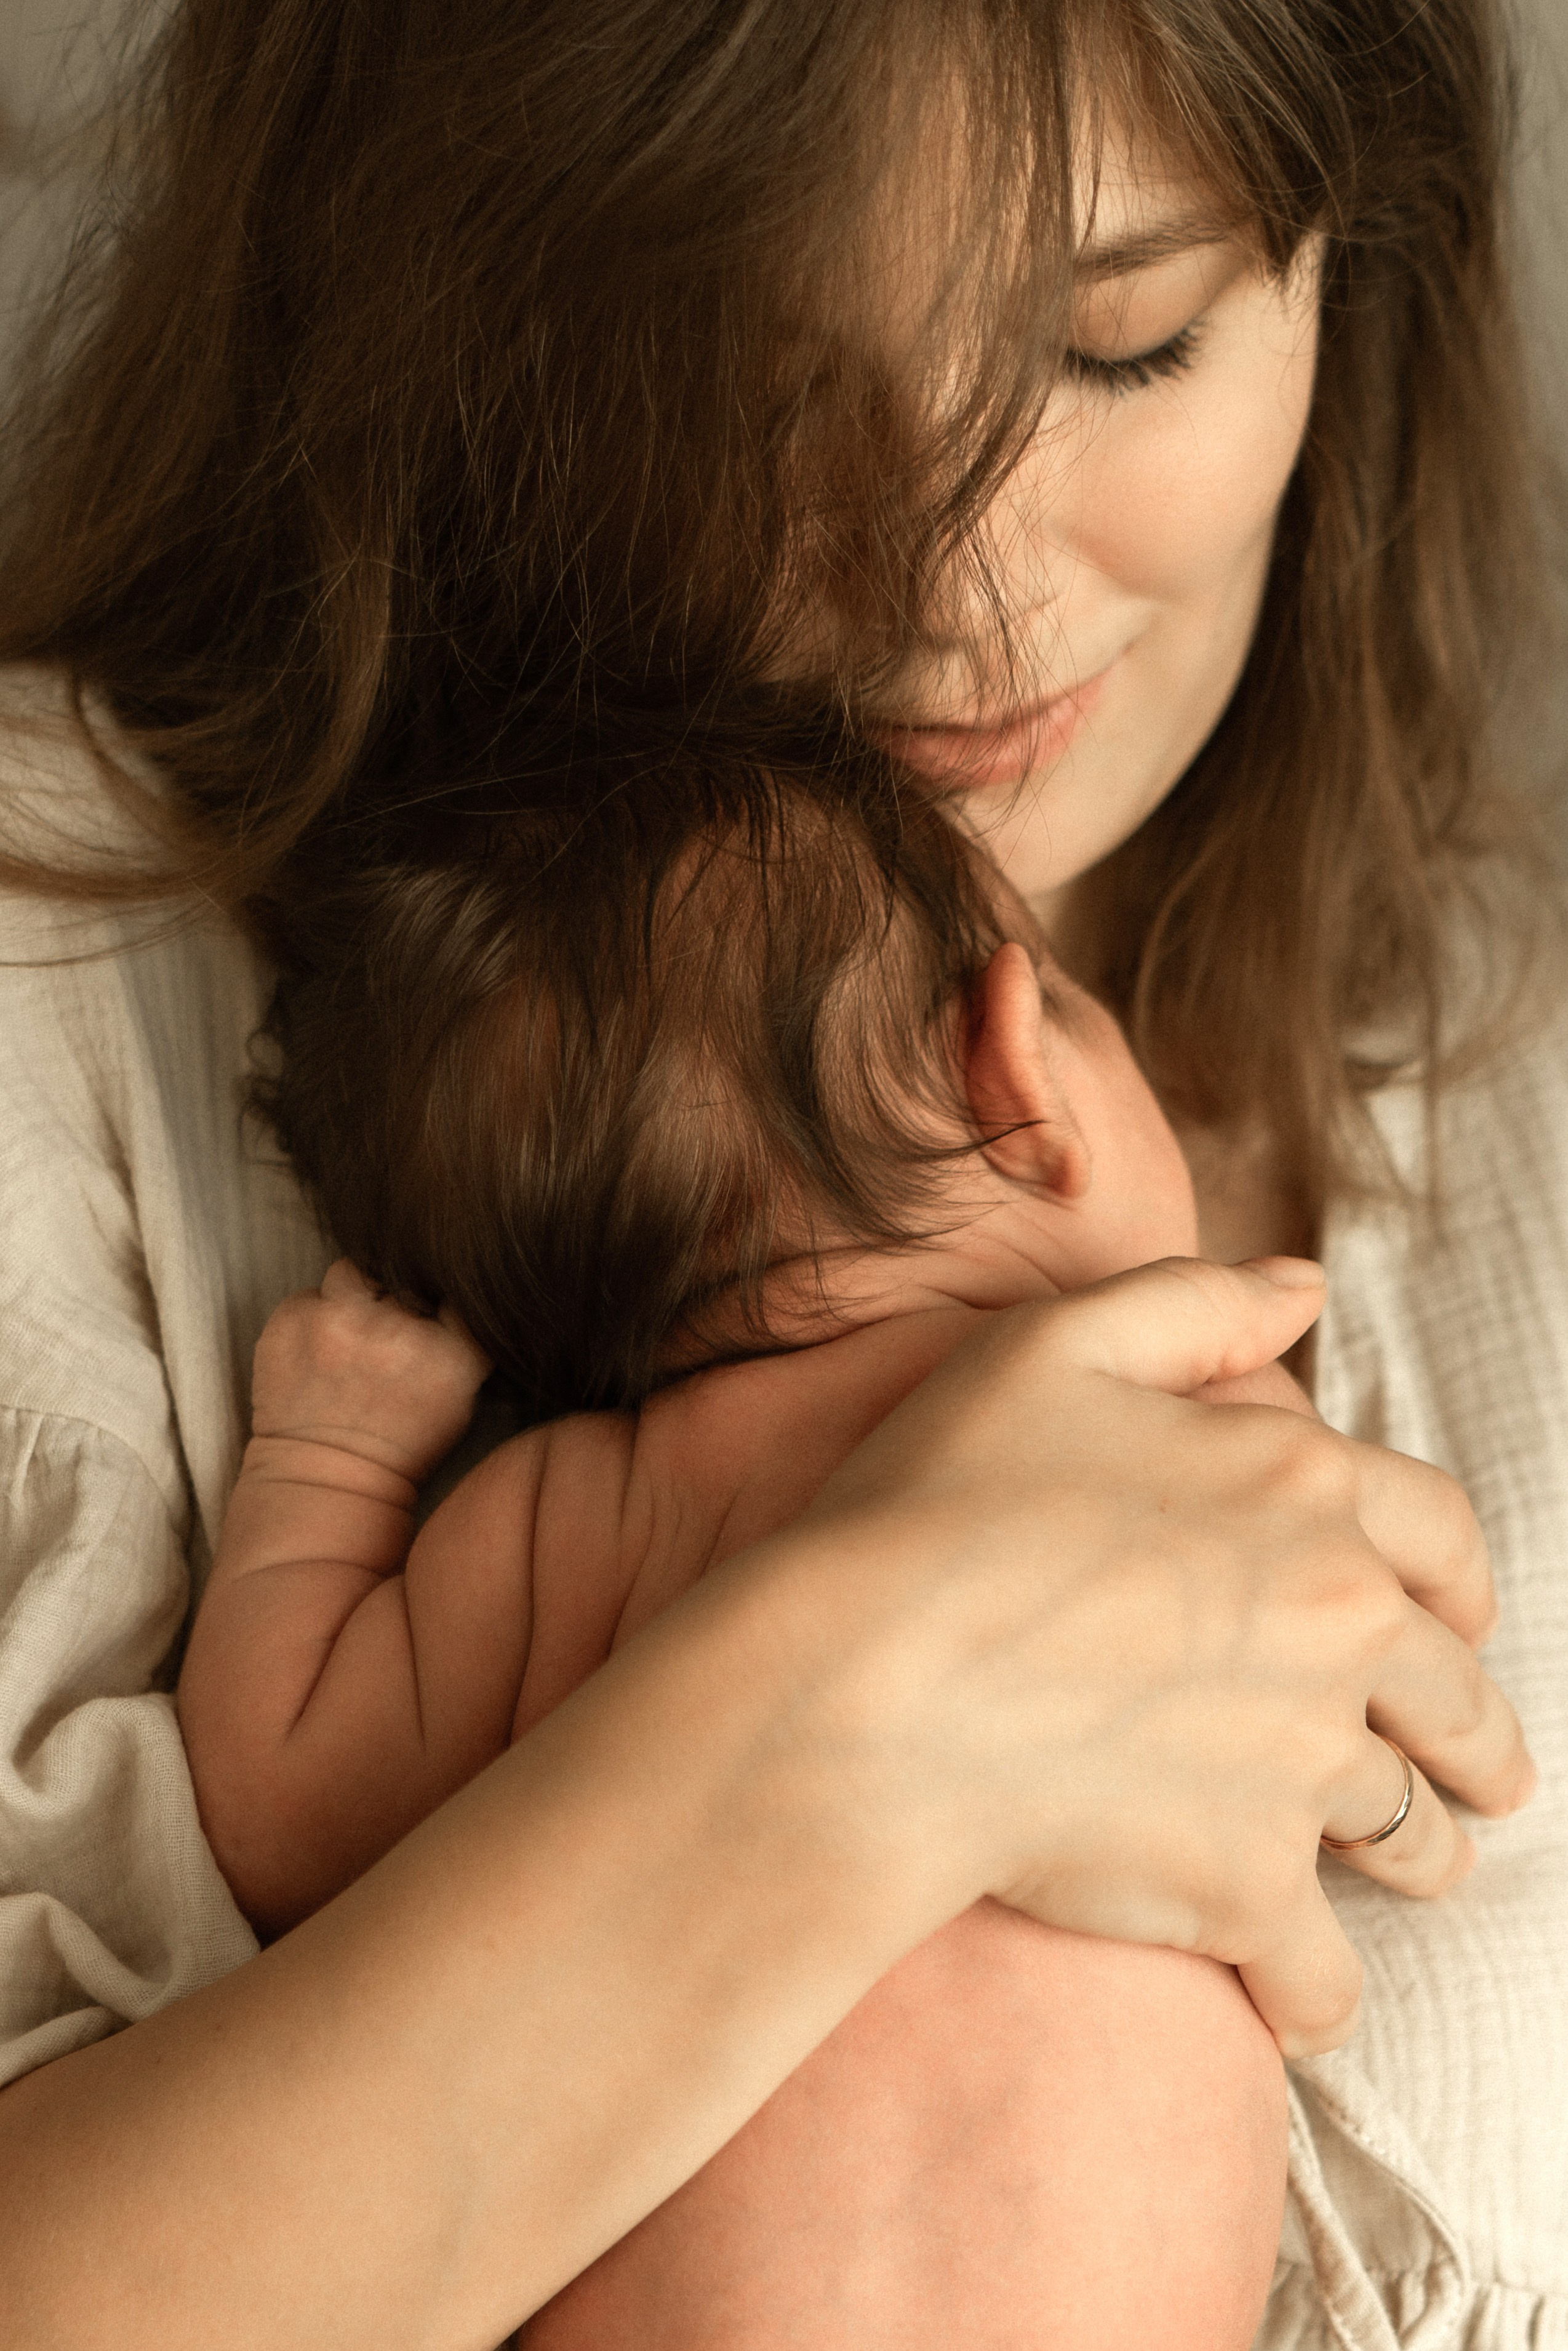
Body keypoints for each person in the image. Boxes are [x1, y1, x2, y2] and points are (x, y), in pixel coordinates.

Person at [0, 6, 1555, 2350]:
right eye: (748, 384)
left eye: (1119, 343)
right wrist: (874, 1706)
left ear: (1353, 259)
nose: (960, 596)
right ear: (448, 313)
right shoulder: (60, 950)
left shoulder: (1517, 1092)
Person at [180, 768, 1321, 2341]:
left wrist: (332, 1457)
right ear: (1022, 1071)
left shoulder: (575, 1520)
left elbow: (279, 1802)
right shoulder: (1184, 1407)